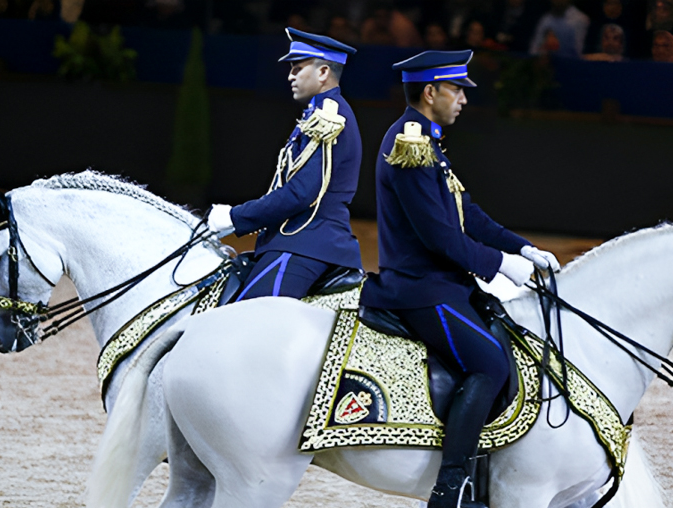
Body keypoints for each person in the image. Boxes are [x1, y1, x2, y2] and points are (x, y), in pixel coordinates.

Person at [360, 50, 559, 508]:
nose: (464, 99)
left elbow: (468, 215)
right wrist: (502, 265)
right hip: (420, 286)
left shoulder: (428, 144)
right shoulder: (409, 142)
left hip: (445, 283)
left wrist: (521, 247)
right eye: (457, 89)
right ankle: (451, 489)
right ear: (430, 92)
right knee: (489, 363)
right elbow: (439, 238)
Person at [207, 28, 363, 300]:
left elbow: (300, 193)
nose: (290, 75)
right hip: (294, 240)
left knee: (248, 319)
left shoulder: (329, 115)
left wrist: (235, 217)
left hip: (308, 241)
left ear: (323, 72)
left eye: (297, 68)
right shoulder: (317, 112)